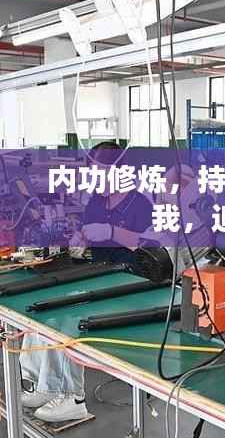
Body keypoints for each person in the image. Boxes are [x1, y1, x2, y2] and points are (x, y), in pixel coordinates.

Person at [20, 142, 153, 423]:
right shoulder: (96, 202)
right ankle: (44, 385)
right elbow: (88, 236)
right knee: (42, 310)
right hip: (100, 276)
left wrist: (112, 231)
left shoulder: (140, 204)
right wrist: (80, 241)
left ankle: (74, 399)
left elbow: (149, 245)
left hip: (133, 283)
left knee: (68, 317)